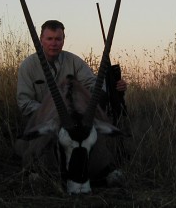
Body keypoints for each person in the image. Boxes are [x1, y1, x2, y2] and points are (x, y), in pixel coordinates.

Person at [16, 19, 127, 186]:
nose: (54, 43)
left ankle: (105, 167)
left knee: (93, 137)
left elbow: (93, 84)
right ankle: (34, 169)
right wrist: (52, 115)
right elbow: (24, 102)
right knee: (37, 148)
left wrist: (114, 87)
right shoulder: (28, 66)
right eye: (49, 39)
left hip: (75, 123)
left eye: (58, 39)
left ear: (63, 40)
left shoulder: (74, 61)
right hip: (43, 121)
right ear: (41, 40)